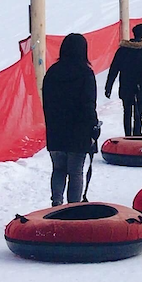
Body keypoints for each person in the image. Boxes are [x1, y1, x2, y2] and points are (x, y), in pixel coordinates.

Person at [42, 33, 99, 206]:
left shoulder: (52, 72)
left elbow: (46, 102)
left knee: (58, 169)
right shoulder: (85, 73)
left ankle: (56, 203)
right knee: (75, 172)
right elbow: (88, 104)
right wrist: (93, 126)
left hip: (56, 130)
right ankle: (73, 208)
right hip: (79, 131)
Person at [104, 23, 142, 136]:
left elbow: (114, 69)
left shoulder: (123, 50)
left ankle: (127, 135)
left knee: (127, 112)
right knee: (138, 113)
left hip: (126, 86)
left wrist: (108, 86)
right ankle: (137, 134)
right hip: (140, 88)